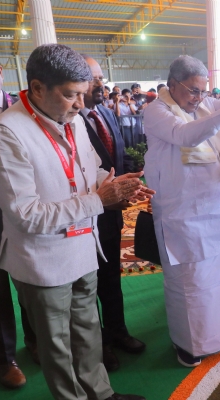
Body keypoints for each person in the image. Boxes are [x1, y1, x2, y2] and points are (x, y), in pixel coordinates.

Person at [0, 43, 149, 400]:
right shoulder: (5, 134)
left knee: (88, 330)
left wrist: (113, 185)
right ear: (37, 88)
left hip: (82, 245)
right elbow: (25, 215)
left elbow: (86, 170)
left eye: (82, 94)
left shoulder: (70, 120)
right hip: (44, 258)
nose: (80, 104)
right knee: (56, 346)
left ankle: (100, 394)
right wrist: (96, 200)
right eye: (71, 95)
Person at [143, 55, 220, 367]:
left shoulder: (204, 104)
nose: (199, 98)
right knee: (191, 282)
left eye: (202, 91)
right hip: (182, 214)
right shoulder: (156, 112)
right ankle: (190, 345)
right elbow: (187, 135)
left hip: (216, 207)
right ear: (172, 85)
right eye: (193, 91)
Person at [79, 55, 146, 372]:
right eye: (92, 79)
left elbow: (115, 157)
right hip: (84, 216)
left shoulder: (104, 112)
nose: (99, 84)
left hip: (111, 214)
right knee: (88, 286)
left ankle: (117, 331)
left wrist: (130, 183)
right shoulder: (69, 120)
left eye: (101, 78)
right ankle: (99, 343)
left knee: (110, 279)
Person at [0, 43, 37, 389]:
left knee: (32, 283)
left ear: (1, 72)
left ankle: (37, 343)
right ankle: (6, 359)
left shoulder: (25, 110)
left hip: (26, 213)